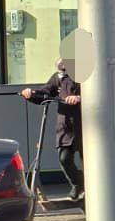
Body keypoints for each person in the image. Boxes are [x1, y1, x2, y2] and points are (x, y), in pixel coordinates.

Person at [21, 60, 84, 203]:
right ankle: (79, 184)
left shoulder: (84, 74)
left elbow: (97, 93)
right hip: (66, 126)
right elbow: (45, 93)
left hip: (85, 125)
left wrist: (79, 97)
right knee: (64, 159)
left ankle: (88, 188)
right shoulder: (58, 77)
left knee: (88, 161)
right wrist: (31, 94)